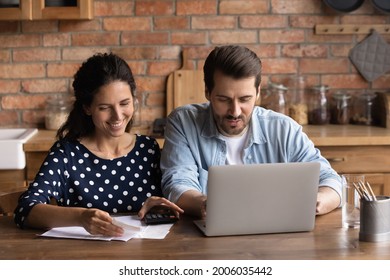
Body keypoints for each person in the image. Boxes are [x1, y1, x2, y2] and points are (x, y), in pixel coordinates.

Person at [160, 45, 342, 218]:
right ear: (208, 92)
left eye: (245, 99)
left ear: (258, 92)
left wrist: (316, 202)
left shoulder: (283, 129)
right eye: (224, 99)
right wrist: (208, 204)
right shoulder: (183, 122)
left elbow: (331, 180)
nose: (235, 111)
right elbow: (177, 184)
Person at [14, 53, 183, 236]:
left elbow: (176, 202)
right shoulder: (67, 153)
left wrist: (161, 208)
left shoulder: (148, 149)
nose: (118, 116)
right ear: (87, 108)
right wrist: (81, 217)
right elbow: (26, 209)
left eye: (124, 103)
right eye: (104, 108)